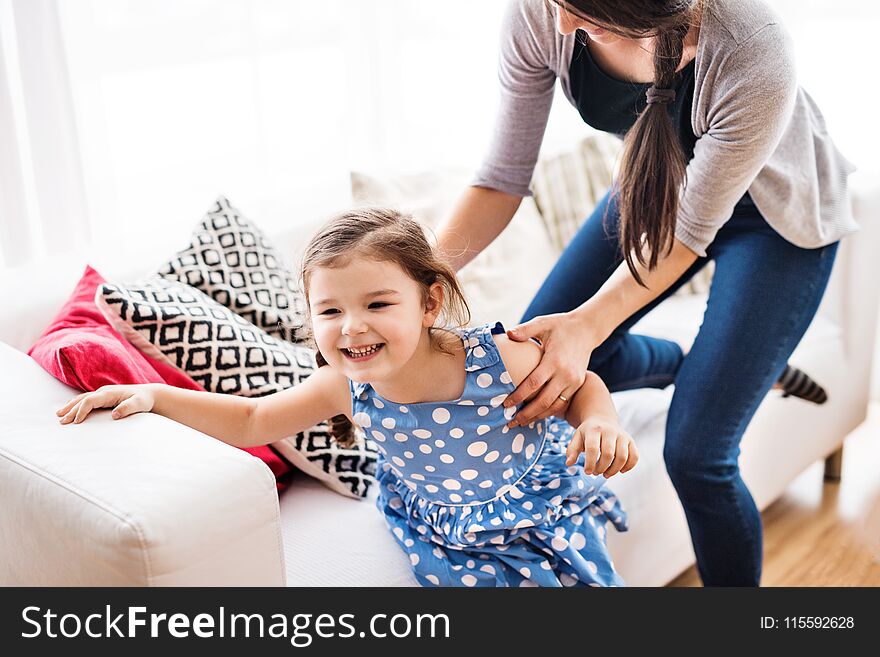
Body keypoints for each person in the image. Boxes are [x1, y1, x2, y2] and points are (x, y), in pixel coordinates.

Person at [436, 0, 856, 586]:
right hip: (661, 187)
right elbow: (502, 178)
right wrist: (425, 274)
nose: (560, 24)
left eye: (589, 12)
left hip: (775, 219)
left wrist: (587, 324)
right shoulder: (544, 14)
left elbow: (688, 235)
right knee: (540, 367)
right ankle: (716, 368)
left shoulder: (752, 46)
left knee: (698, 456)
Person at [57, 208, 637, 587]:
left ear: (430, 304)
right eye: (330, 311)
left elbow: (579, 383)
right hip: (440, 519)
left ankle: (657, 358)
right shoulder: (344, 384)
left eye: (378, 305)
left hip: (528, 505)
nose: (352, 327)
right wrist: (155, 396)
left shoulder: (492, 358)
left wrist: (601, 420)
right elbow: (253, 419)